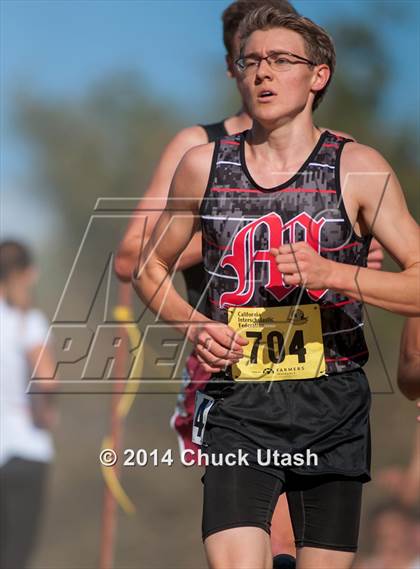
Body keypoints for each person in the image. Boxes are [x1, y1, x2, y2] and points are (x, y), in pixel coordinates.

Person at [132, 6, 420, 569]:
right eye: (252, 61)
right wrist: (196, 326)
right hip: (238, 400)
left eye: (282, 60)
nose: (263, 72)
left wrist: (334, 273)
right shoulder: (204, 165)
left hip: (332, 403)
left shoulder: (358, 168)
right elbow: (149, 267)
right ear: (238, 74)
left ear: (319, 76)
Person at [0, 240, 57, 569]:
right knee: (14, 557)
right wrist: (44, 414)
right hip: (25, 447)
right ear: (28, 273)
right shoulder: (27, 321)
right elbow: (46, 377)